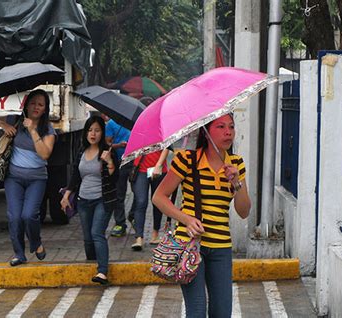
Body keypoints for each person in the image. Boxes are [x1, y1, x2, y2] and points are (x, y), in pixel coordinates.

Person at [152, 114, 251, 317]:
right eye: (221, 126)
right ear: (206, 132)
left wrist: (236, 183)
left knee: (222, 312)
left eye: (231, 127)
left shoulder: (236, 164)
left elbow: (244, 211)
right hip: (190, 245)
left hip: (221, 246)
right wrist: (186, 219)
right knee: (196, 311)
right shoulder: (187, 160)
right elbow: (159, 197)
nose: (228, 132)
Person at [0, 89, 56, 266]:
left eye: (40, 104)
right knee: (14, 217)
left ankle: (36, 242)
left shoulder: (47, 128)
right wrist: (4, 125)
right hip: (14, 178)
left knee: (29, 215)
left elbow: (45, 154)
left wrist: (33, 130)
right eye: (33, 103)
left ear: (45, 109)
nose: (36, 107)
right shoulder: (16, 120)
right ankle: (19, 253)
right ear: (26, 104)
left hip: (37, 179)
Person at [60, 115, 118, 285]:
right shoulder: (81, 151)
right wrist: (66, 194)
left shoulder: (108, 152)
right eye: (90, 130)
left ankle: (102, 271)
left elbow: (116, 179)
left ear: (102, 133)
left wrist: (109, 163)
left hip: (102, 200)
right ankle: (92, 265)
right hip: (83, 200)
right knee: (87, 238)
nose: (93, 134)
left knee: (96, 233)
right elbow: (76, 176)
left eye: (97, 130)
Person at [130, 149, 169, 250]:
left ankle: (155, 234)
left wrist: (159, 164)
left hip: (159, 169)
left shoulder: (162, 132)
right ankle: (139, 238)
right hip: (141, 169)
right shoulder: (138, 132)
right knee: (141, 201)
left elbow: (167, 147)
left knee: (157, 202)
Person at [105, 118, 132, 237]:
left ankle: (133, 215)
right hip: (119, 162)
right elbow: (107, 144)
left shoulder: (134, 123)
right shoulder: (111, 124)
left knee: (140, 193)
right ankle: (120, 223)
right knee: (120, 194)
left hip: (134, 162)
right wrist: (119, 145)